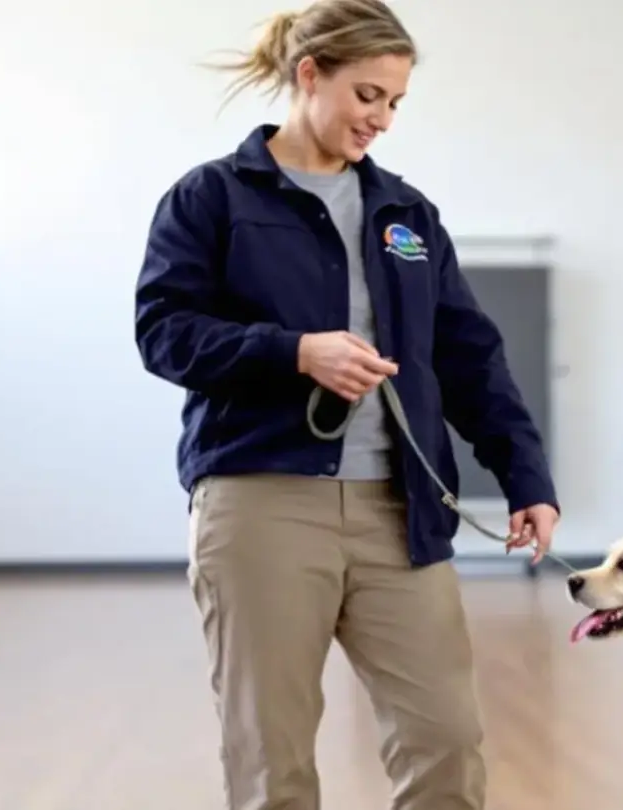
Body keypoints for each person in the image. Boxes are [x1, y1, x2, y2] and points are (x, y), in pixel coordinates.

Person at [132, 1, 561, 808]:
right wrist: (292, 351)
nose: (384, 119)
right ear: (308, 75)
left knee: (445, 739)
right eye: (369, 95)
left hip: (400, 510)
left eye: (395, 102)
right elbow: (164, 333)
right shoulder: (212, 198)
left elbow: (469, 355)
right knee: (272, 752)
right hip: (261, 501)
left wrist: (526, 476)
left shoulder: (407, 214)